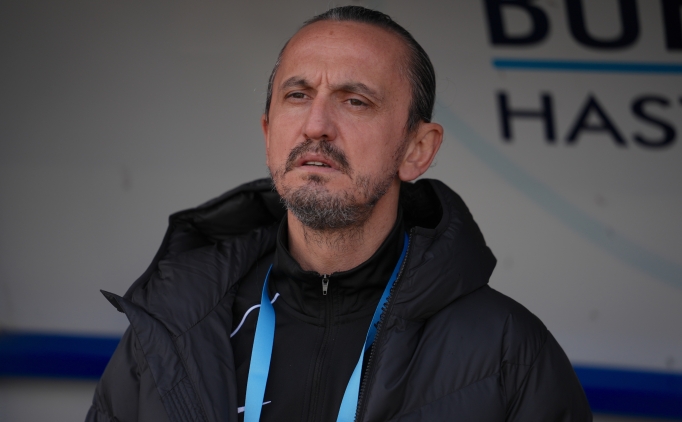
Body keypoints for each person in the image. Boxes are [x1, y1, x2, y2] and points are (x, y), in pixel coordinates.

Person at [86, 6, 592, 422]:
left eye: (355, 101)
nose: (316, 125)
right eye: (298, 95)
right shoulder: (172, 327)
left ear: (417, 149)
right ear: (268, 133)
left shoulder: (508, 350)